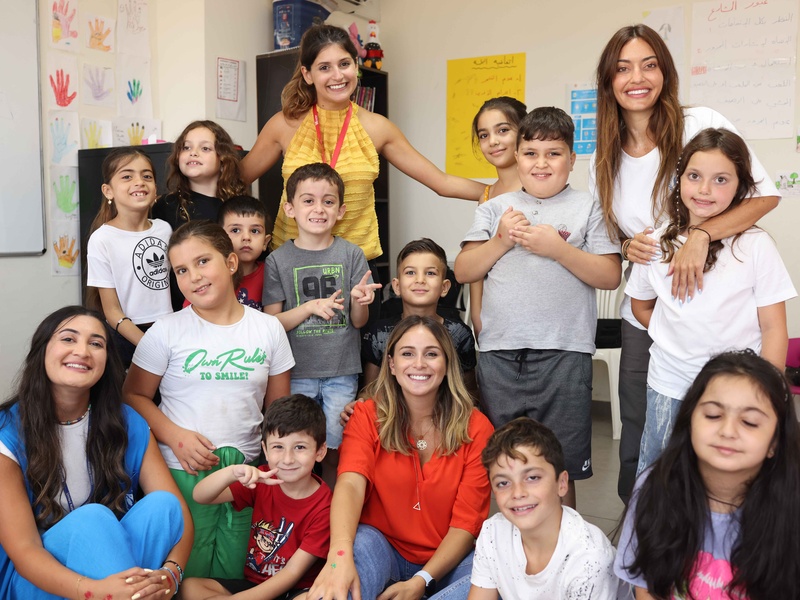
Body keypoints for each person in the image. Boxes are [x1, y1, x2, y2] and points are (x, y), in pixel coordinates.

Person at [589, 24, 780, 503]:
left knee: (719, 413)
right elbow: (615, 244)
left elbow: (763, 197)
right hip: (652, 297)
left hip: (715, 287)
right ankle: (644, 522)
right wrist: (631, 247)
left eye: (649, 64)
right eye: (624, 67)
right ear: (608, 79)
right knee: (643, 416)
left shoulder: (699, 121)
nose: (638, 77)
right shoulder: (603, 157)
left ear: (665, 72)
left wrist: (699, 234)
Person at [455, 106, 621, 509]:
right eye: (531, 153)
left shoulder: (589, 207)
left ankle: (567, 552)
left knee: (560, 464)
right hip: (499, 353)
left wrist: (559, 250)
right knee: (506, 461)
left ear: (571, 158)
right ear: (518, 156)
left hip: (565, 353)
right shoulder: (496, 206)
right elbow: (463, 269)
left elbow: (609, 275)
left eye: (554, 153)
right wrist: (500, 241)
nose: (541, 163)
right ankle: (512, 549)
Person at [123, 220, 295, 579]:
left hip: (245, 477)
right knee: (189, 571)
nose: (194, 276)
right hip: (181, 469)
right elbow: (132, 395)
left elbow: (279, 411)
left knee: (236, 573)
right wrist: (175, 435)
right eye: (182, 270)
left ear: (231, 263)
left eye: (203, 262)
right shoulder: (166, 330)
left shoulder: (268, 329)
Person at [240, 24, 485, 264]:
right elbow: (237, 181)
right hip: (291, 264)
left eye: (344, 64)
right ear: (307, 74)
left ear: (356, 66)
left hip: (356, 269)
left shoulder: (377, 127)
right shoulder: (284, 124)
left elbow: (441, 182)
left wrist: (501, 189)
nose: (337, 76)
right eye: (324, 67)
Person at [627, 128, 796, 473]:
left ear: (741, 188)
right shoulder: (655, 242)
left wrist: (764, 390)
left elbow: (774, 327)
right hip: (669, 384)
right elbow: (640, 306)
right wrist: (678, 332)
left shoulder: (754, 245)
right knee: (662, 476)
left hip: (735, 391)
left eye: (721, 179)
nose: (704, 190)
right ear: (679, 180)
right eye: (694, 176)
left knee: (726, 477)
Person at [0, 305, 193, 599]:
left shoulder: (127, 422)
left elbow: (179, 513)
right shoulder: (8, 433)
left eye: (96, 343)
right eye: (68, 339)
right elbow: (25, 551)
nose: (82, 351)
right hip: (38, 581)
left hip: (112, 573)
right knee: (93, 520)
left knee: (163, 507)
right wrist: (96, 591)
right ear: (42, 351)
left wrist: (171, 574)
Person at [307, 316, 493, 600]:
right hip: (380, 546)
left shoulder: (477, 428)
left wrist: (421, 580)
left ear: (447, 364)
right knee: (342, 571)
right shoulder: (366, 415)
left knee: (494, 580)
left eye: (431, 354)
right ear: (392, 365)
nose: (419, 364)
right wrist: (339, 557)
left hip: (448, 561)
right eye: (407, 353)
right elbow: (350, 485)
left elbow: (465, 525)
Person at [615, 350, 800, 599]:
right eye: (713, 415)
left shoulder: (791, 507)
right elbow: (646, 586)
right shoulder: (654, 488)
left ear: (774, 443)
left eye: (750, 422)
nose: (728, 430)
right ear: (689, 420)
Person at [263, 163, 380, 485]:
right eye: (308, 200)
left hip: (341, 370)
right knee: (294, 448)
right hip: (296, 372)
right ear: (290, 209)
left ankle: (330, 511)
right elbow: (272, 323)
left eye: (328, 201)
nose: (319, 209)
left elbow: (358, 322)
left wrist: (360, 301)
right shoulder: (277, 260)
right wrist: (310, 307)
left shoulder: (352, 254)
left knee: (334, 450)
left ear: (341, 210)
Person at [181, 395, 332, 599]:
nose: (288, 459)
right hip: (254, 585)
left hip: (295, 590)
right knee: (191, 587)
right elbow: (201, 495)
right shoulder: (261, 479)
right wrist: (233, 472)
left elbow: (292, 573)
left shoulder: (325, 504)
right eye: (278, 447)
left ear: (320, 451)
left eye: (300, 447)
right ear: (265, 450)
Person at [463, 417, 622, 599]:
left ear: (562, 483)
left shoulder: (590, 558)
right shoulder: (493, 533)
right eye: (503, 483)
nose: (518, 493)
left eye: (532, 478)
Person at [86, 148, 172, 367]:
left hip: (170, 330)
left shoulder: (165, 229)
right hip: (128, 337)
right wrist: (147, 345)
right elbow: (112, 311)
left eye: (147, 176)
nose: (139, 182)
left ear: (155, 190)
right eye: (127, 176)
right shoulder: (102, 239)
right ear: (108, 191)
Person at [362, 238, 476, 393]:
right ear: (397, 286)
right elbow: (369, 394)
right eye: (410, 272)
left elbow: (469, 396)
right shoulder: (380, 334)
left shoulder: (459, 334)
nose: (420, 280)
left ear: (444, 287)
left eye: (430, 273)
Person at [153, 120, 247, 310]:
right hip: (182, 309)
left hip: (231, 304)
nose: (193, 152)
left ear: (223, 159)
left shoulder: (237, 206)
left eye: (205, 148)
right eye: (186, 147)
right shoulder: (165, 205)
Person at [468, 96, 526, 336]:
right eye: (483, 135)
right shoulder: (487, 195)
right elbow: (476, 263)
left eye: (502, 130)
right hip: (495, 322)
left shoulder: (539, 190)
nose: (493, 141)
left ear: (524, 132)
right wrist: (477, 315)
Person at [218, 195, 273, 311]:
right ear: (220, 238)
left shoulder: (272, 275)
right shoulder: (212, 275)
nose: (246, 237)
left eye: (254, 231)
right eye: (235, 230)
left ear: (265, 242)